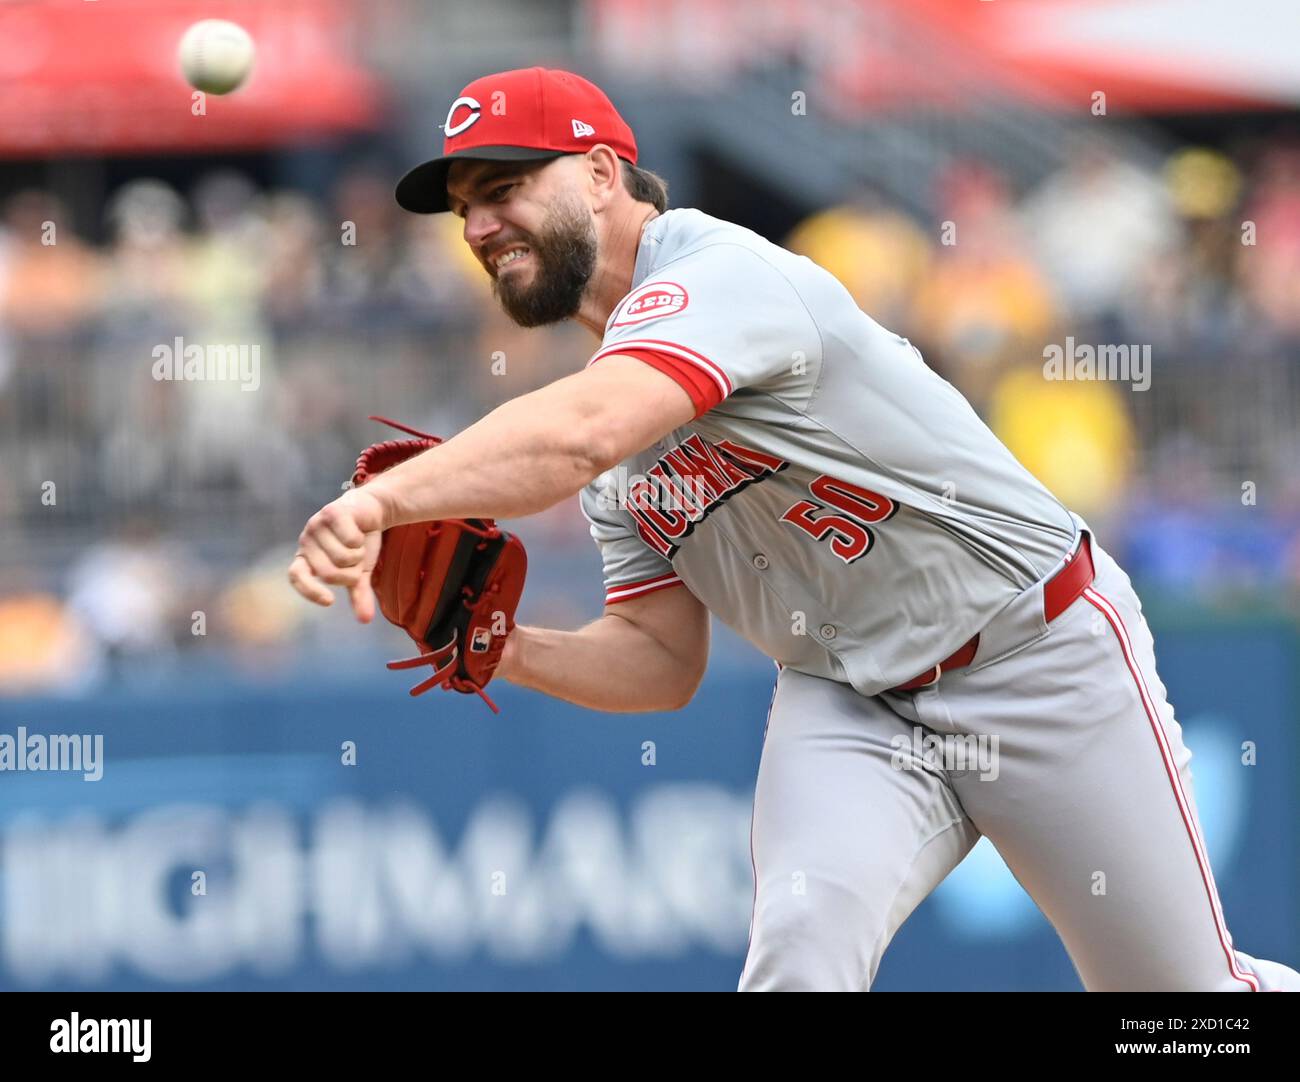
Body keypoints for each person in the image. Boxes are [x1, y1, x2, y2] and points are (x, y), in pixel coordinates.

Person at [288, 68, 1299, 992]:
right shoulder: (620, 453)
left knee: (1183, 1007)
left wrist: (386, 498)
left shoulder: (723, 276)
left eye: (503, 186)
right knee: (796, 964)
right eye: (465, 207)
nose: (479, 224)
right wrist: (501, 645)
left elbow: (582, 434)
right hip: (852, 700)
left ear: (600, 172)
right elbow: (657, 660)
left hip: (1035, 653)